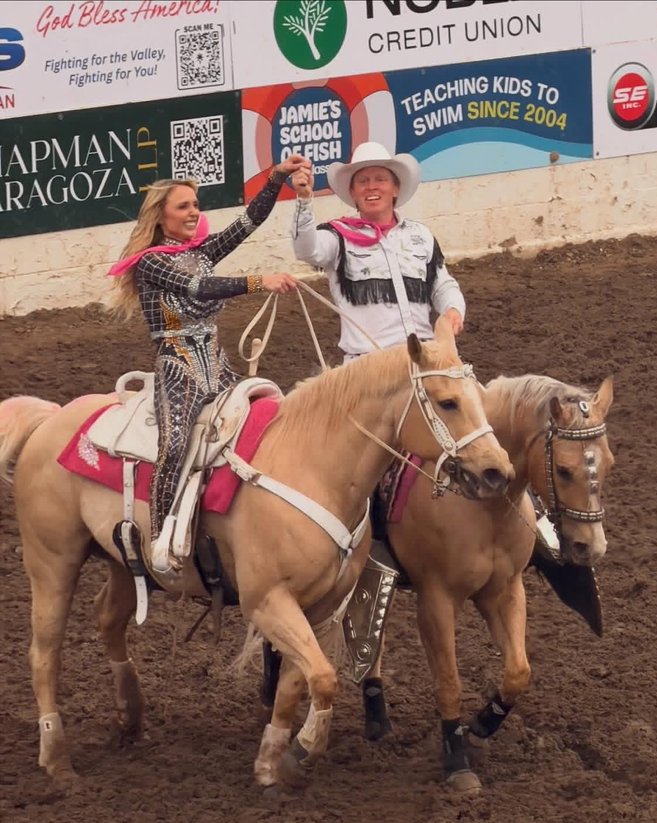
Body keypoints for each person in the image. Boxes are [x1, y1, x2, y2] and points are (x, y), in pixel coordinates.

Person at [107, 154, 309, 572]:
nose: (193, 212)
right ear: (161, 217)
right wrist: (260, 281)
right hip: (177, 368)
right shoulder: (151, 262)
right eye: (183, 206)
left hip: (216, 364)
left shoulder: (200, 251)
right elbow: (197, 289)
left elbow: (248, 222)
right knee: (176, 442)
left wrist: (275, 178)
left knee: (270, 417)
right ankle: (161, 539)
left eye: (196, 205)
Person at [290, 141, 465, 364]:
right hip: (369, 365)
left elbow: (442, 285)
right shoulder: (338, 236)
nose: (371, 187)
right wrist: (304, 200)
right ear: (353, 193)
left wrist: (453, 309)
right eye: (363, 181)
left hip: (425, 358)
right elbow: (306, 249)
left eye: (380, 179)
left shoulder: (421, 235)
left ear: (395, 189)